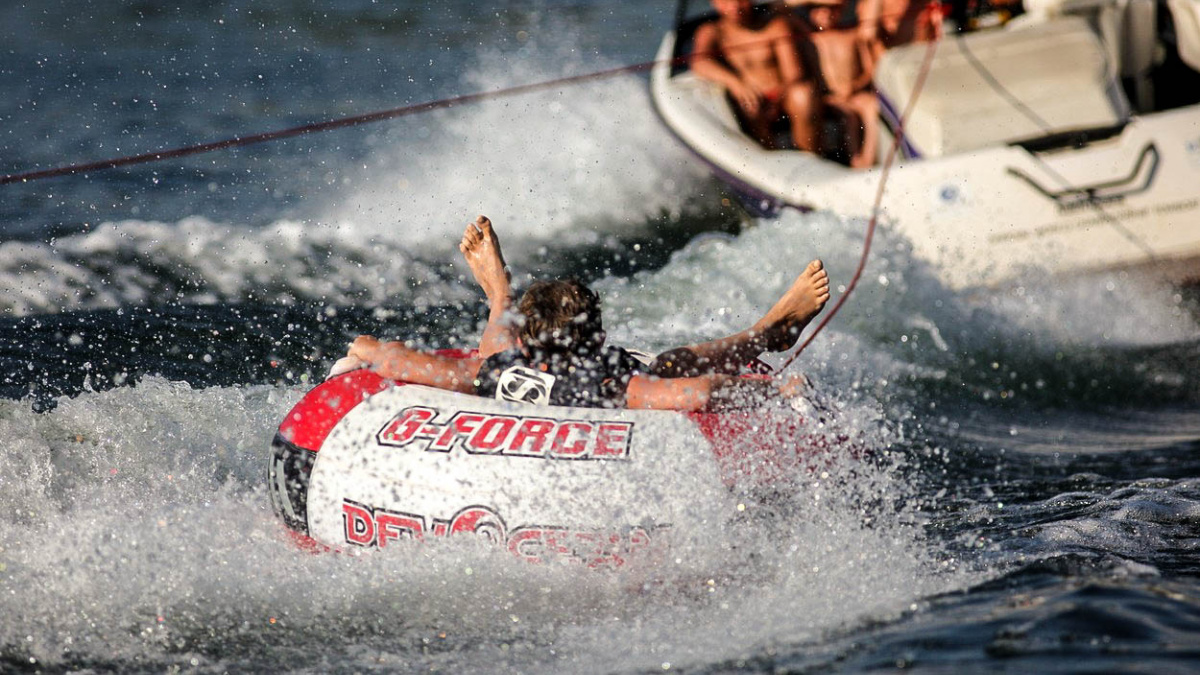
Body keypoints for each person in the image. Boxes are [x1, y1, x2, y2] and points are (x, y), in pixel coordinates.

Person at [341, 215, 831, 412]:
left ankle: (499, 293)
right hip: (596, 382)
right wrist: (775, 391)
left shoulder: (501, 369)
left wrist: (368, 350)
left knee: (485, 360)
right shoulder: (608, 382)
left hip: (511, 371)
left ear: (527, 344)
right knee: (670, 363)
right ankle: (765, 333)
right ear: (598, 340)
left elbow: (405, 363)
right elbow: (697, 392)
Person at [691, 0, 823, 152]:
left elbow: (794, 73)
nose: (735, 7)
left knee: (804, 94)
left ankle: (810, 156)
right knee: (749, 106)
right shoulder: (712, 31)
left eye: (740, 1)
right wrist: (736, 84)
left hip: (784, 94)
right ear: (716, 4)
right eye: (726, 2)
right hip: (750, 98)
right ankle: (769, 157)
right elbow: (699, 62)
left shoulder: (775, 26)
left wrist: (779, 97)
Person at [803, 0, 881, 168]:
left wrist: (855, 86)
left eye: (831, 9)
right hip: (829, 98)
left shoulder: (853, 35)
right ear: (810, 11)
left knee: (872, 106)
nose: (826, 14)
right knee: (848, 116)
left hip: (855, 93)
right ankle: (854, 159)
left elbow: (870, 69)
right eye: (819, 9)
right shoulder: (809, 40)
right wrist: (827, 93)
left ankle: (868, 160)